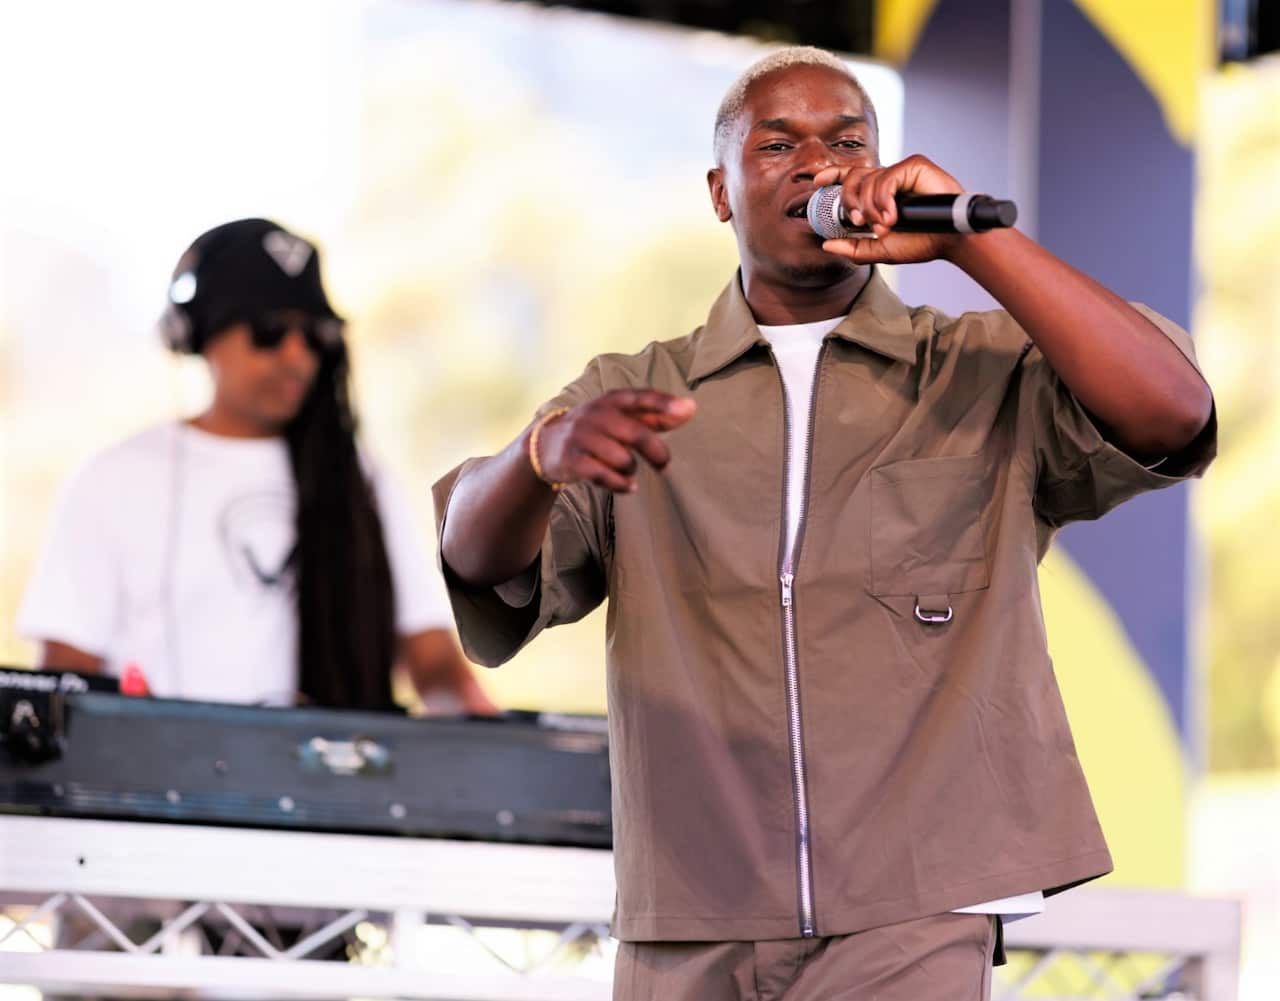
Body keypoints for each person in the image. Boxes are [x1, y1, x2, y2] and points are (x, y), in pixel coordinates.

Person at [433, 47, 1214, 1000]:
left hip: (916, 908)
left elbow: (1175, 411)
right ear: (720, 193)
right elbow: (475, 559)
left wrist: (971, 243)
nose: (818, 162)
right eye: (778, 145)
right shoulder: (634, 391)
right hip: (692, 914)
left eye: (847, 142)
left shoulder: (976, 370)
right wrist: (534, 459)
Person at [20, 218, 494, 715]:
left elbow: (434, 663)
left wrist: (497, 744)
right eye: (269, 330)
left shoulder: (363, 480)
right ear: (200, 334)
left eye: (315, 335)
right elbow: (65, 679)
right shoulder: (114, 478)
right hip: (159, 765)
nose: (296, 356)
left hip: (331, 762)